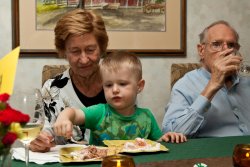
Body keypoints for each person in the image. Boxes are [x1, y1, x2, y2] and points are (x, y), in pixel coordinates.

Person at [53, 51, 187, 145]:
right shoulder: (99, 112)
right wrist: (64, 117)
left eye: (122, 84)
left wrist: (168, 138)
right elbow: (74, 113)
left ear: (139, 86)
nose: (115, 90)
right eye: (108, 85)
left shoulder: (146, 117)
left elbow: (158, 144)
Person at [29, 9, 109, 152]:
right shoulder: (52, 90)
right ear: (64, 52)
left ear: (102, 48)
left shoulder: (119, 83)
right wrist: (40, 142)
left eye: (90, 50)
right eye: (75, 51)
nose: (84, 59)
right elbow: (40, 133)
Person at [162, 20, 250, 138]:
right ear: (201, 50)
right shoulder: (185, 85)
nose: (225, 51)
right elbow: (173, 133)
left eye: (231, 45)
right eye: (216, 44)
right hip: (215, 154)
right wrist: (212, 86)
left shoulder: (246, 80)